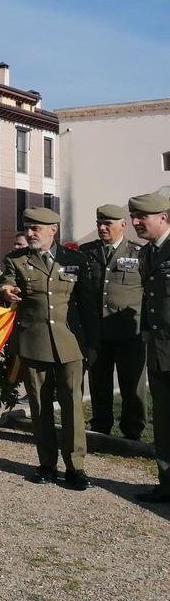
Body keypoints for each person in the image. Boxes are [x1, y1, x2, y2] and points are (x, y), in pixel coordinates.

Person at [0, 207, 96, 490]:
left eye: (36, 229)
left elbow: (88, 305)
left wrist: (93, 344)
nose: (30, 233)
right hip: (34, 343)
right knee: (40, 407)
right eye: (27, 228)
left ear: (53, 229)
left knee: (72, 407)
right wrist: (5, 292)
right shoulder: (17, 259)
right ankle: (47, 464)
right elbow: (6, 284)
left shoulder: (74, 259)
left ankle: (76, 467)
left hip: (70, 344)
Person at [80, 204, 146, 440]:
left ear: (122, 225)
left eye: (108, 223)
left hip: (129, 332)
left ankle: (133, 430)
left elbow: (149, 293)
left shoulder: (139, 252)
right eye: (99, 223)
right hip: (97, 332)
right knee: (99, 383)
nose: (102, 227)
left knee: (132, 384)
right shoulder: (85, 253)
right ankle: (100, 426)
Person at [131, 193, 170, 503]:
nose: (135, 222)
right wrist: (145, 330)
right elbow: (149, 299)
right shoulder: (147, 254)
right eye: (133, 216)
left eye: (141, 217)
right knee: (164, 422)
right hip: (158, 353)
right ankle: (167, 484)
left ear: (163, 218)